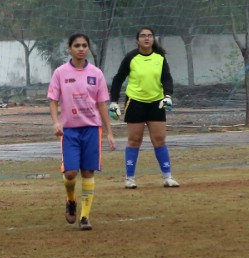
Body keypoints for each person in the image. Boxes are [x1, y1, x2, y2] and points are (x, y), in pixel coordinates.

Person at [47, 33, 116, 231]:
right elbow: (53, 100)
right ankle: (71, 201)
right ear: (69, 48)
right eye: (77, 45)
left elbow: (101, 103)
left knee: (88, 172)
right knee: (70, 173)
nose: (81, 49)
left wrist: (109, 132)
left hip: (92, 129)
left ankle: (85, 217)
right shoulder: (60, 72)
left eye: (84, 45)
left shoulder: (96, 73)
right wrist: (56, 122)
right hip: (69, 131)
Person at [109, 27, 179, 189]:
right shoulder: (131, 57)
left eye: (149, 36)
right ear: (137, 40)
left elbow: (167, 78)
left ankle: (167, 177)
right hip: (135, 102)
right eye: (143, 36)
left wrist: (168, 95)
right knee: (134, 140)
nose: (146, 38)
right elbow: (118, 79)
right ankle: (130, 178)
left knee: (159, 140)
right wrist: (113, 101)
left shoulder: (160, 57)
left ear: (153, 39)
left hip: (157, 103)